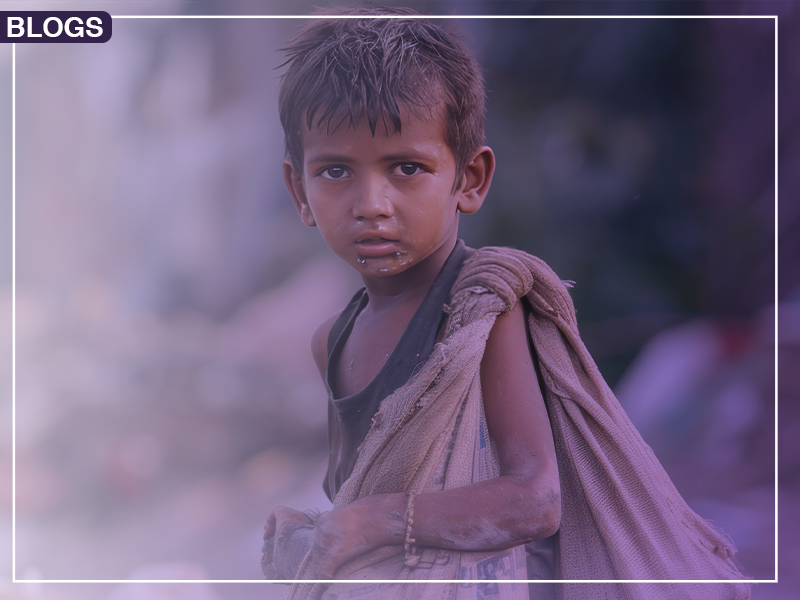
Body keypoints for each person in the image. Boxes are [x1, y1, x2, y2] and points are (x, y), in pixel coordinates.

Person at [261, 9, 750, 600]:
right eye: (336, 170)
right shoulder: (332, 340)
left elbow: (534, 499)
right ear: (299, 192)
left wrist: (368, 524)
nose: (372, 203)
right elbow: (358, 492)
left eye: (406, 168)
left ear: (469, 178)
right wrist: (316, 536)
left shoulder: (481, 311)